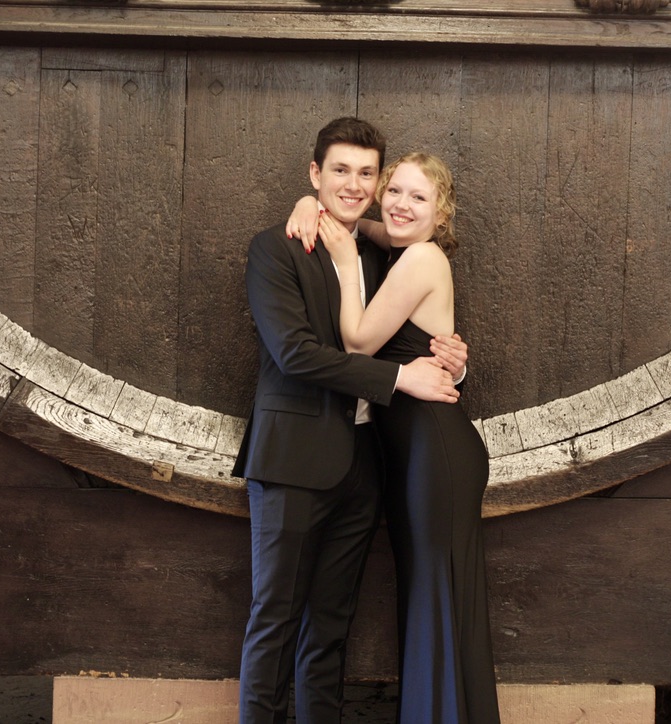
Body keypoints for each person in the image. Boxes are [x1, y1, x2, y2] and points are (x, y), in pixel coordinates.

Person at [232, 118, 470, 724]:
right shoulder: (275, 248)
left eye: (367, 173)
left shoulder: (383, 249)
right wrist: (399, 379)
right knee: (275, 624)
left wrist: (452, 362)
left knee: (330, 633)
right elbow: (296, 355)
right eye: (339, 170)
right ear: (315, 173)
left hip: (363, 465)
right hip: (291, 460)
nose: (354, 184)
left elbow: (415, 330)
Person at [289, 153, 500, 723]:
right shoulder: (402, 244)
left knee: (437, 600)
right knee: (433, 600)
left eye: (419, 197)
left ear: (442, 214)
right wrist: (310, 203)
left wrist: (343, 262)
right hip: (415, 451)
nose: (402, 205)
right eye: (395, 191)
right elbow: (359, 221)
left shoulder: (423, 258)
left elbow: (358, 343)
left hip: (436, 451)